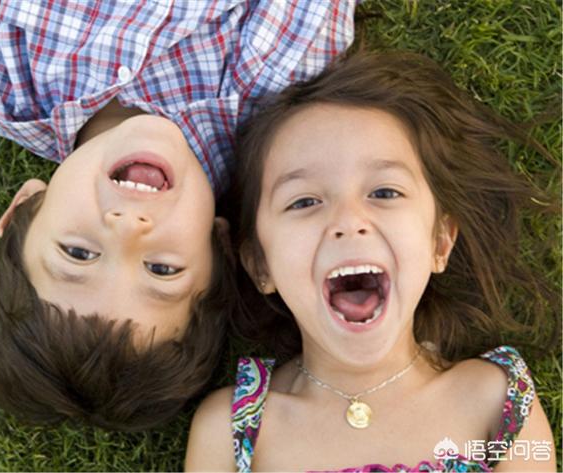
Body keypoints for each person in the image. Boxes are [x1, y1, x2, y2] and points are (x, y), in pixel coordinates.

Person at [0, 0, 361, 430]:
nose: (129, 228)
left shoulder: (0, 83)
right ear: (220, 247)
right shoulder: (276, 78)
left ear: (25, 207)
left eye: (78, 253)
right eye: (161, 269)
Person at [185, 50, 558, 471]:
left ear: (440, 243)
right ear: (260, 265)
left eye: (384, 192)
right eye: (304, 201)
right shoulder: (232, 428)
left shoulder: (495, 402)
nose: (348, 222)